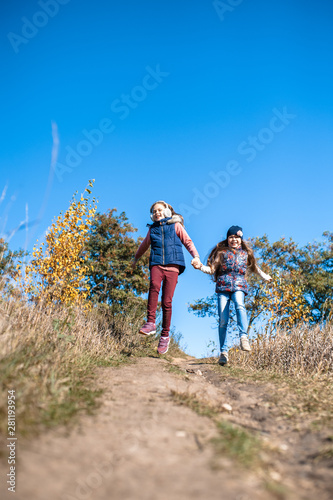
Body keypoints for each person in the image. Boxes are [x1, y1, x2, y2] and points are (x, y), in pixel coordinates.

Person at [192, 225, 271, 366]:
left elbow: (255, 268)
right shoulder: (221, 253)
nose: (234, 240)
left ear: (241, 239)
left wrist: (265, 276)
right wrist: (200, 267)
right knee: (223, 320)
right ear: (227, 238)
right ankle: (223, 352)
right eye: (231, 237)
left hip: (239, 286)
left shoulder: (246, 254)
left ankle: (243, 337)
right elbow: (211, 270)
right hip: (223, 287)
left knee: (240, 305)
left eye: (237, 237)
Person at [132, 201, 200, 354]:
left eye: (160, 210)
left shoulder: (176, 226)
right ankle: (150, 322)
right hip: (156, 264)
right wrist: (135, 259)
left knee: (167, 301)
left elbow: (187, 241)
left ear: (167, 212)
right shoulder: (152, 230)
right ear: (152, 215)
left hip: (173, 265)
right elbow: (144, 245)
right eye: (154, 211)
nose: (157, 213)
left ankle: (164, 336)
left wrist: (196, 256)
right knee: (154, 287)